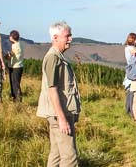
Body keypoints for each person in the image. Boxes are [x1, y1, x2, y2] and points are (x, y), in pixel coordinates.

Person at [36, 21, 81, 166]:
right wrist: (62, 118)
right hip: (59, 114)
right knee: (70, 158)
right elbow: (52, 89)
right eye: (67, 36)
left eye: (70, 35)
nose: (70, 39)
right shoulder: (53, 58)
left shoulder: (57, 56)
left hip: (58, 113)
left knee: (56, 154)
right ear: (55, 38)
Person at [123, 32, 136, 117]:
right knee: (132, 92)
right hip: (133, 70)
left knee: (129, 92)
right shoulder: (132, 48)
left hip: (130, 69)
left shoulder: (127, 47)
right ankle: (131, 111)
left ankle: (128, 109)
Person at [6, 30, 24, 102]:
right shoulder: (20, 44)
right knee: (16, 83)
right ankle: (16, 99)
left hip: (15, 67)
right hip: (19, 65)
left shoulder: (14, 46)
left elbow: (10, 55)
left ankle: (17, 99)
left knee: (15, 84)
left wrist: (7, 56)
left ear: (12, 37)